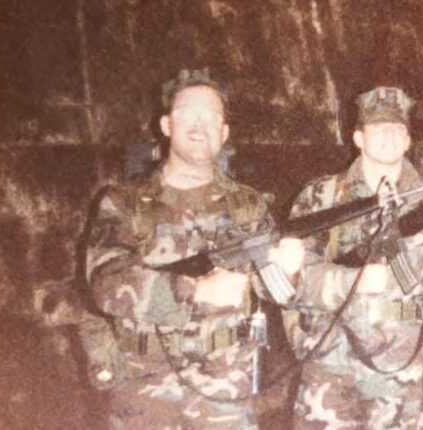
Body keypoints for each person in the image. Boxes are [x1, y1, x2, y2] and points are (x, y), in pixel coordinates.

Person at [84, 68, 304, 429]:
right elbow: (105, 282)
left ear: (224, 133)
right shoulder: (124, 201)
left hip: (226, 384)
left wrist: (288, 270)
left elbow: (271, 289)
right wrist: (196, 290)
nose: (200, 125)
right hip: (147, 386)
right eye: (188, 113)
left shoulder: (247, 204)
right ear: (166, 125)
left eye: (212, 117)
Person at [282, 86, 423, 429]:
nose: (389, 135)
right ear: (358, 137)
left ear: (408, 141)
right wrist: (349, 282)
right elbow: (288, 278)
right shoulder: (321, 197)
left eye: (397, 129)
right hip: (329, 366)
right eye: (378, 128)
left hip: (399, 373)